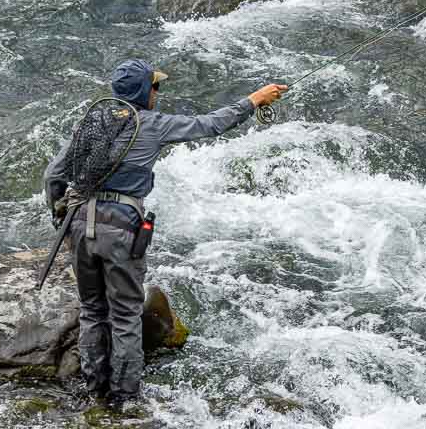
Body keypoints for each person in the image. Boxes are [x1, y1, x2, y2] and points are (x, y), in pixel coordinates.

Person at [43, 59, 287, 408]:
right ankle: (125, 398)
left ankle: (95, 390)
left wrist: (60, 218)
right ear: (144, 91)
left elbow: (53, 176)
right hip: (121, 228)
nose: (157, 92)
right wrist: (254, 100)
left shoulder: (90, 124)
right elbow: (210, 125)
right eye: (154, 86)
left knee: (92, 311)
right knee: (125, 315)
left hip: (80, 223)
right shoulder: (154, 124)